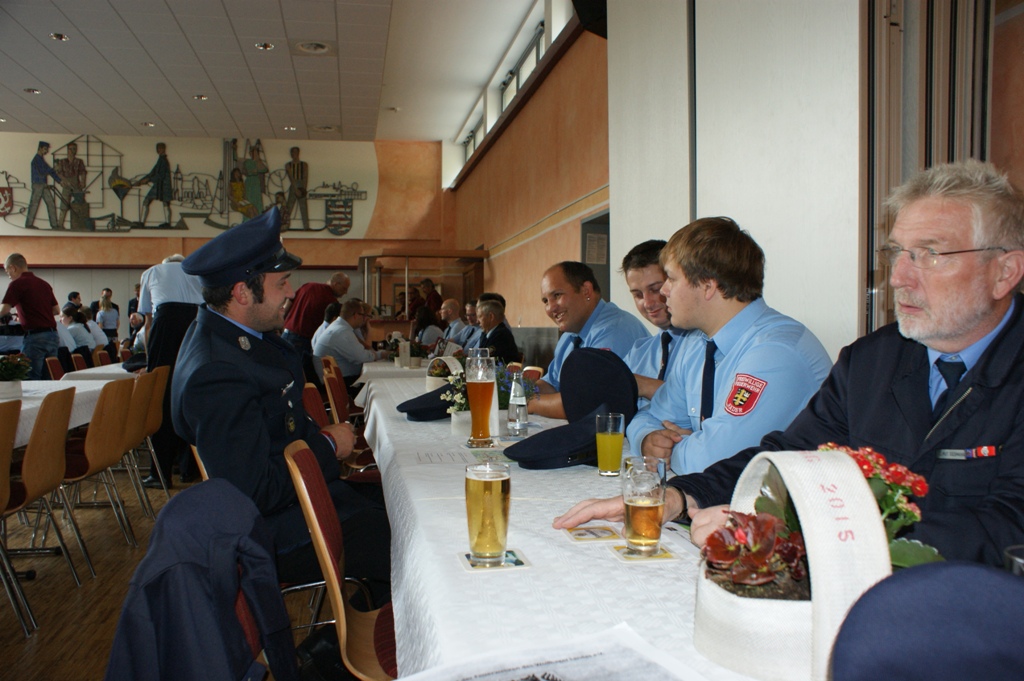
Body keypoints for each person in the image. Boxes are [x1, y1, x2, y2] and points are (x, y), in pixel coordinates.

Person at [555, 160, 1024, 567]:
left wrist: (802, 534)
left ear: (1005, 271)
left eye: (931, 254)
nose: (898, 277)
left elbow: (1007, 526)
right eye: (897, 253)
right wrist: (676, 496)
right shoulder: (871, 361)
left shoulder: (781, 350)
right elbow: (787, 453)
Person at [172, 207, 391, 594]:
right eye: (282, 283)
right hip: (274, 531)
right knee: (410, 538)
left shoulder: (237, 337)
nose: (291, 293)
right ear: (242, 292)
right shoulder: (217, 372)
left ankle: (367, 613)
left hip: (297, 499)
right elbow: (253, 490)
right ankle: (363, 627)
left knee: (400, 501)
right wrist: (327, 445)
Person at [626, 218, 832, 474]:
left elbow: (714, 462)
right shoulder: (696, 344)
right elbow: (648, 417)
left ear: (707, 286)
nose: (664, 291)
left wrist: (677, 448)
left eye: (671, 279)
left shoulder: (775, 352)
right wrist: (648, 440)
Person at [530, 261, 650, 418]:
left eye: (557, 295)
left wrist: (530, 402)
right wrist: (520, 391)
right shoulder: (569, 337)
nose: (551, 308)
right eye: (545, 301)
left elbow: (584, 403)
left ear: (586, 291)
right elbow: (551, 384)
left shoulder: (614, 330)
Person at [138, 253, 205, 487]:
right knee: (192, 396)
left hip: (165, 323)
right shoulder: (196, 272)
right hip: (197, 323)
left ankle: (160, 475)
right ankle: (190, 469)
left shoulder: (152, 272)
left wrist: (150, 363)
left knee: (162, 399)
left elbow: (148, 323)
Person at [620, 239, 689, 408]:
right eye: (638, 295)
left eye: (655, 289)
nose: (648, 303)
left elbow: (700, 408)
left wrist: (646, 386)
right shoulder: (638, 353)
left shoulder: (703, 346)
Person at [282, 272, 350, 385]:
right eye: (344, 288)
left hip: (286, 334)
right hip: (302, 340)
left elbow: (290, 300)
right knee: (299, 377)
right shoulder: (331, 301)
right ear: (336, 284)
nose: (345, 292)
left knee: (285, 372)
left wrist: (283, 319)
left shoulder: (308, 286)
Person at [1, 253, 60, 379]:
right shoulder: (44, 284)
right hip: (53, 335)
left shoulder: (17, 284)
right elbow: (56, 310)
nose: (9, 276)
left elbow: (4, 310)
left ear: (13, 268)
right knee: (49, 377)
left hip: (35, 337)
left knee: (30, 377)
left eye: (7, 272)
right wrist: (37, 313)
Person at [313, 299, 386, 385]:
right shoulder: (342, 332)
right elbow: (361, 357)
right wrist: (382, 354)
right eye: (363, 315)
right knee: (380, 381)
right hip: (341, 383)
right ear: (356, 315)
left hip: (337, 380)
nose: (363, 319)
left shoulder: (339, 327)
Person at [24, 141, 62, 230]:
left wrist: (59, 181)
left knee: (51, 203)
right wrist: (54, 169)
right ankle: (28, 224)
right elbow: (42, 172)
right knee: (34, 204)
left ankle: (54, 225)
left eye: (47, 149)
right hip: (37, 184)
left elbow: (50, 171)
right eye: (45, 149)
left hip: (43, 185)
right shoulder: (36, 160)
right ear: (40, 148)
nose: (46, 151)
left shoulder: (41, 160)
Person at [137, 142, 172, 228]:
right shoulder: (160, 160)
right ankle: (142, 222)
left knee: (164, 203)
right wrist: (141, 180)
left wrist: (148, 180)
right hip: (159, 185)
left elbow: (161, 175)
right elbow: (152, 172)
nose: (158, 150)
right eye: (157, 148)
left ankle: (167, 223)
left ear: (164, 149)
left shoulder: (163, 161)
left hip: (163, 186)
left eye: (160, 148)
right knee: (150, 201)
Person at [475, 299, 520, 364]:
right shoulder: (486, 333)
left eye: (480, 316)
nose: (477, 321)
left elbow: (487, 362)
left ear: (491, 317)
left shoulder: (501, 335)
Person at [55, 141, 87, 229]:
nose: (73, 151)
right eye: (71, 149)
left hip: (76, 183)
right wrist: (64, 180)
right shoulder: (62, 162)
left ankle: (81, 223)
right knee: (64, 204)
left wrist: (83, 181)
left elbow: (83, 172)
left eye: (74, 149)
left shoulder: (79, 161)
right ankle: (60, 224)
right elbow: (58, 173)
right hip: (66, 185)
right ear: (67, 150)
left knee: (80, 202)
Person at [284, 146, 310, 230]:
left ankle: (306, 227)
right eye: (292, 152)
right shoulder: (288, 165)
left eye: (294, 152)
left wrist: (303, 190)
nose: (293, 154)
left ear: (298, 153)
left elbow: (305, 177)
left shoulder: (304, 164)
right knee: (289, 206)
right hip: (294, 185)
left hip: (301, 186)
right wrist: (296, 189)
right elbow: (291, 178)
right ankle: (284, 225)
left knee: (303, 207)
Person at [242, 143, 267, 214]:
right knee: (249, 199)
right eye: (252, 152)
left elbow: (264, 169)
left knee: (257, 200)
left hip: (256, 182)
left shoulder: (258, 161)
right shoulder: (247, 162)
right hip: (249, 182)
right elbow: (246, 171)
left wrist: (257, 159)